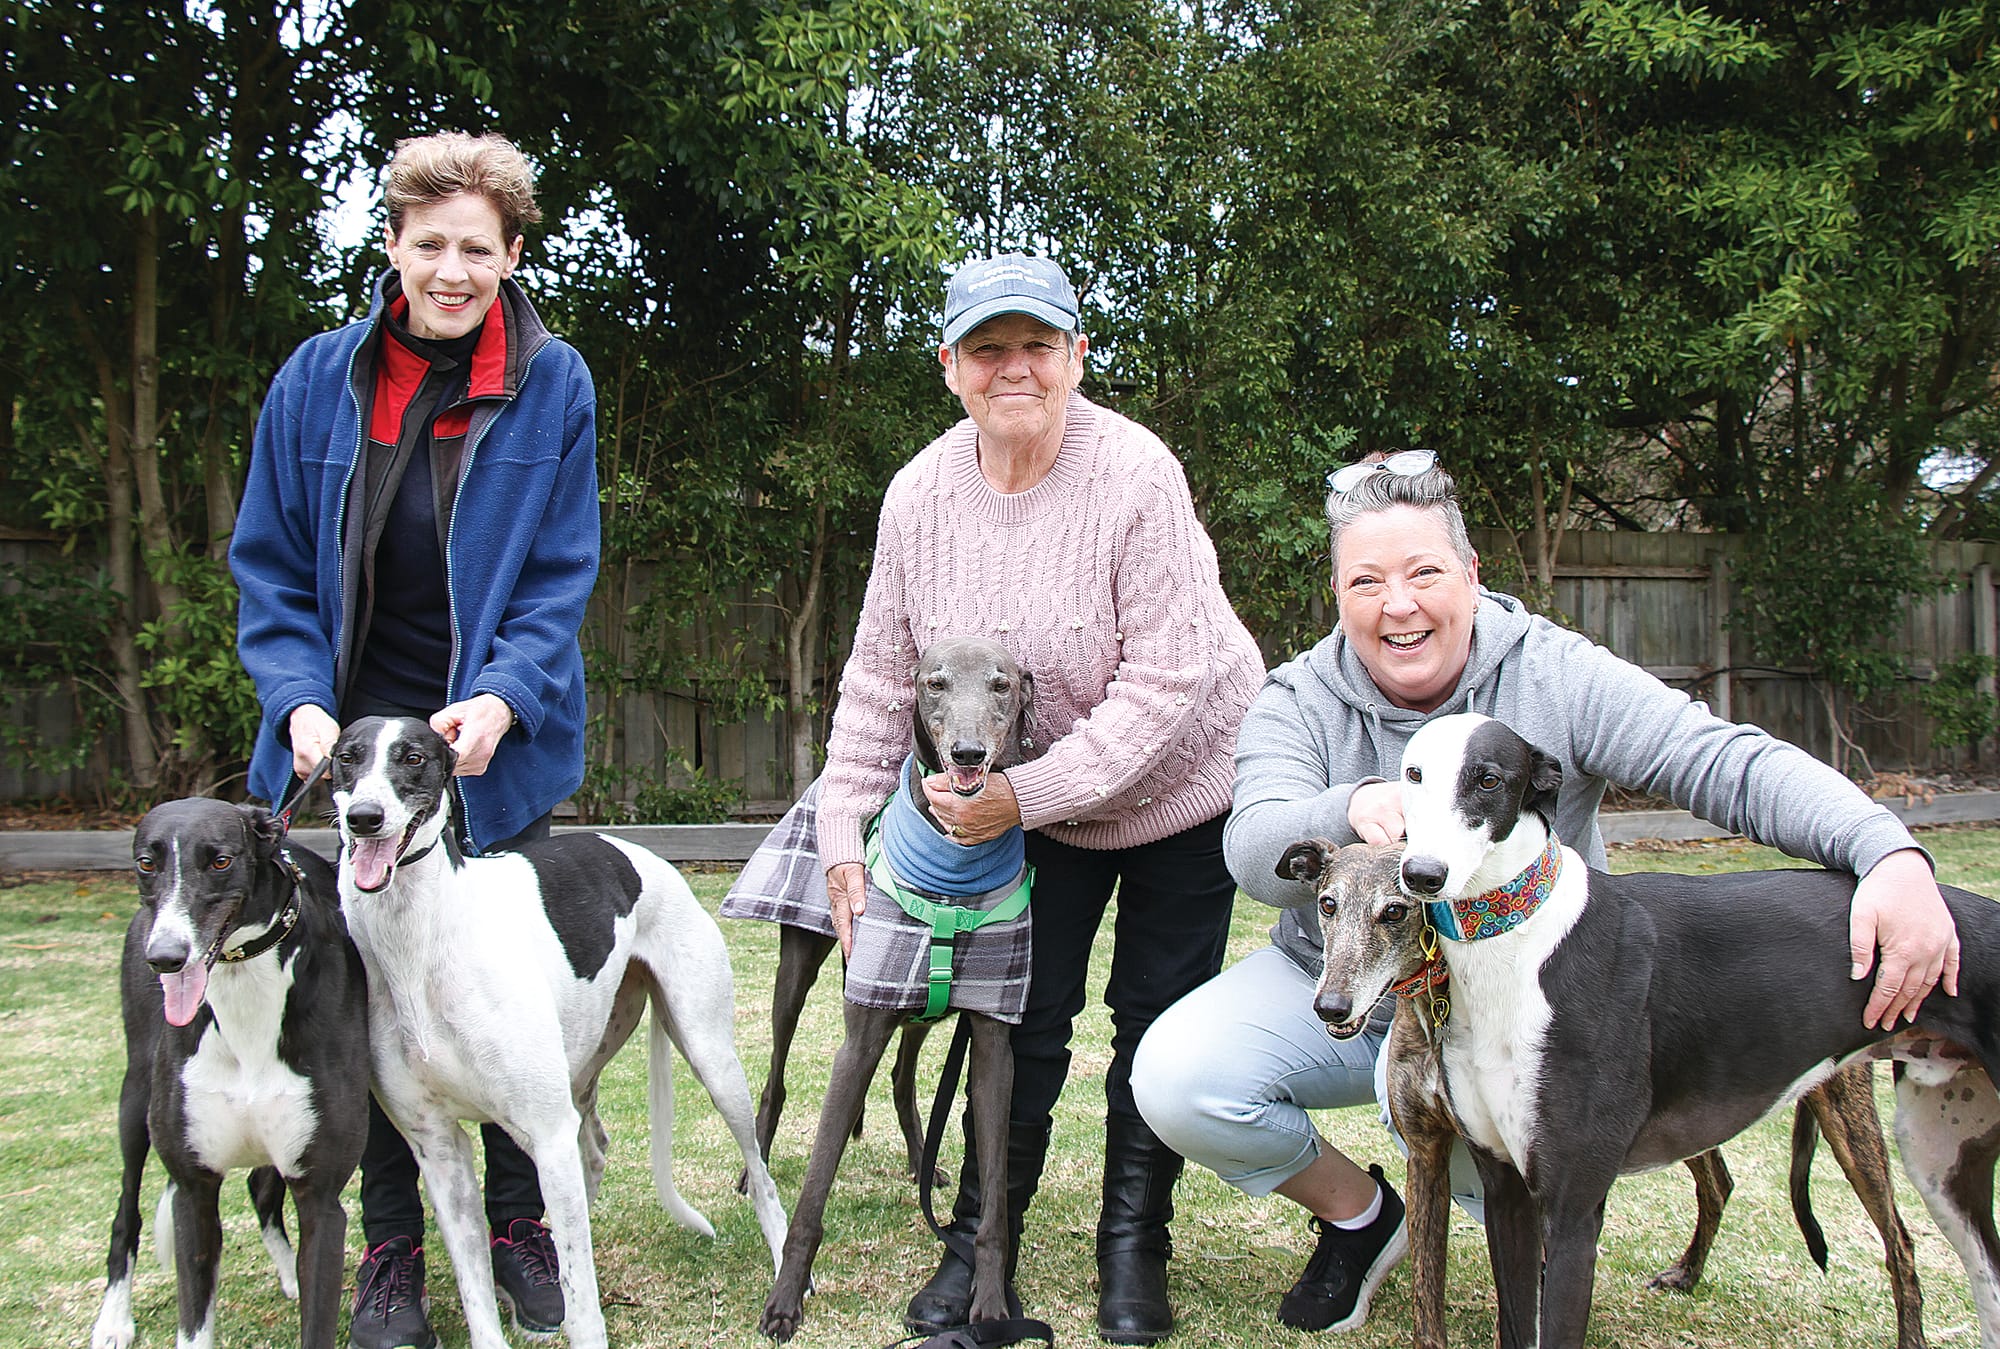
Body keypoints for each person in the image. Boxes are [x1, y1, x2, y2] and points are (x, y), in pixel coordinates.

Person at [1130, 450, 1960, 1334]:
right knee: (1181, 1075)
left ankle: (1515, 1216)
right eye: (1365, 579)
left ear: (1472, 573)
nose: (1397, 603)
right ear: (1337, 593)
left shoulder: (1556, 673)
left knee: (1513, 1188)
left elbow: (1724, 763)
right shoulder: (1298, 695)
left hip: (1524, 1005)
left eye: (1423, 572)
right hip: (1348, 987)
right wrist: (1358, 802)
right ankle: (1364, 1220)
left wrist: (1887, 850)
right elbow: (1253, 846)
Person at [813, 253, 1265, 1345]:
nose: (1012, 367)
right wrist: (842, 840)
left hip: (1182, 785)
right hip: (1031, 801)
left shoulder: (1136, 473)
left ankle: (1132, 1246)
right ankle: (981, 1244)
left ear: (1074, 357)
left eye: (1035, 346)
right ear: (949, 368)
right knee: (1022, 1014)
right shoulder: (918, 495)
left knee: (1153, 1022)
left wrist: (1023, 790)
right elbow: (880, 680)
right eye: (986, 349)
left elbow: (1165, 682)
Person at [231, 131, 599, 1349]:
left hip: (488, 742)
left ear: (511, 254)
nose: (452, 270)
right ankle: (391, 1243)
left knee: (493, 1002)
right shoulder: (313, 380)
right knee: (368, 1006)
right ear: (391, 245)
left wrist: (502, 695)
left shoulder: (554, 384)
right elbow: (272, 572)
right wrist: (298, 705)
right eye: (429, 244)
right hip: (348, 747)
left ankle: (517, 1225)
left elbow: (556, 580)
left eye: (476, 249)